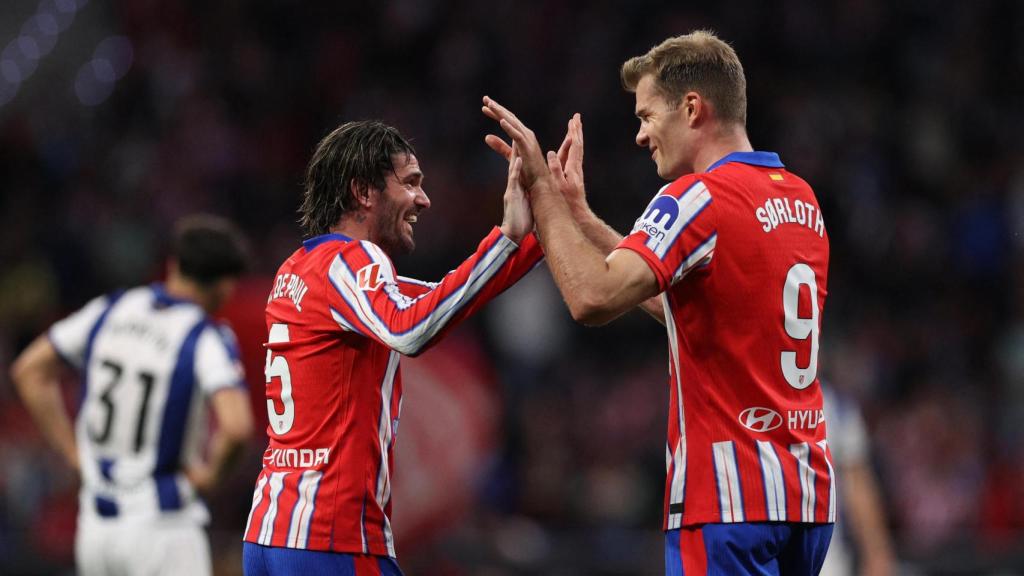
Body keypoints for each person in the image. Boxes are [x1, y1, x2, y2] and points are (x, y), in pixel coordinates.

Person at [483, 29, 834, 574]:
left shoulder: (698, 197)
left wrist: (543, 196)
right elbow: (689, 310)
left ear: (692, 109)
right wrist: (582, 218)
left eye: (648, 116)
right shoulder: (800, 199)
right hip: (805, 499)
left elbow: (592, 298)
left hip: (726, 500)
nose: (641, 135)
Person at [241, 120, 541, 575]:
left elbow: (441, 298)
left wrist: (533, 236)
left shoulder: (299, 268)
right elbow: (411, 329)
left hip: (269, 532)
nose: (423, 199)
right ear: (364, 192)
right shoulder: (355, 259)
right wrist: (509, 236)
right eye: (411, 182)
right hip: (332, 535)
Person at [10, 214, 255, 576]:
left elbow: (28, 370)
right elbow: (237, 427)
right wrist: (212, 476)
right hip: (163, 530)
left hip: (96, 529)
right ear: (225, 285)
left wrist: (71, 451)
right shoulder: (205, 337)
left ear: (174, 264)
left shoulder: (112, 308)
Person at [820, 385, 897, 576]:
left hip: (825, 562)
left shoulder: (837, 409)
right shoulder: (748, 400)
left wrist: (876, 554)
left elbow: (857, 485)